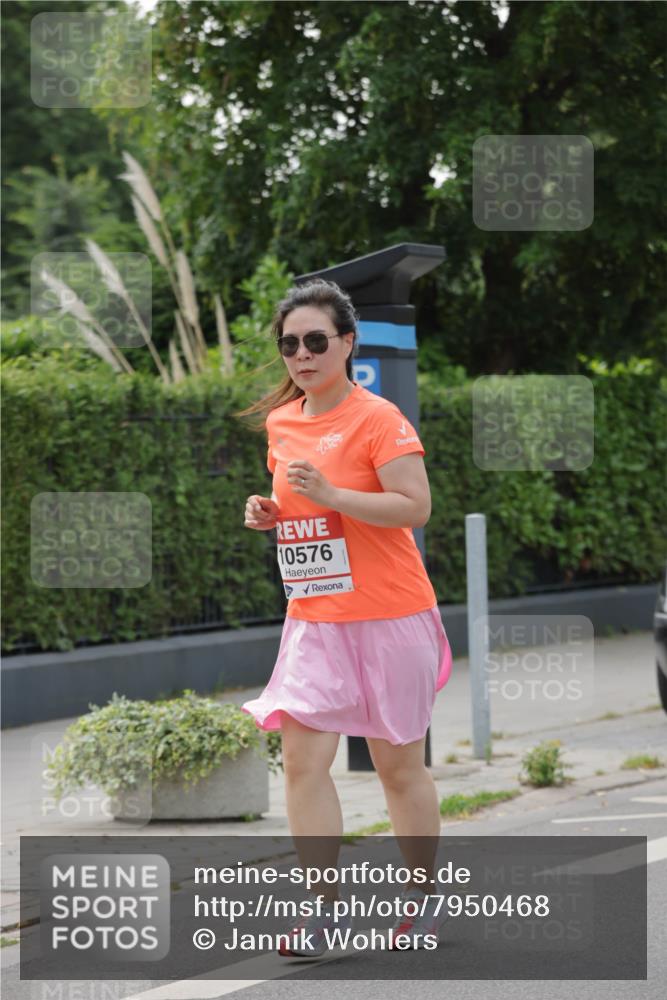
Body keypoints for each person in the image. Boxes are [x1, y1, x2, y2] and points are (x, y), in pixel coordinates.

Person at [236, 279, 453, 957]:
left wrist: (333, 492)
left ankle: (422, 901)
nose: (301, 354)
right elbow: (305, 512)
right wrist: (270, 513)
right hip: (315, 617)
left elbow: (413, 506)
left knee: (398, 770)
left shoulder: (378, 418)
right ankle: (323, 909)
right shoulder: (283, 422)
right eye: (289, 344)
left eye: (315, 341)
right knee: (301, 761)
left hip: (389, 614)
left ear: (346, 344)